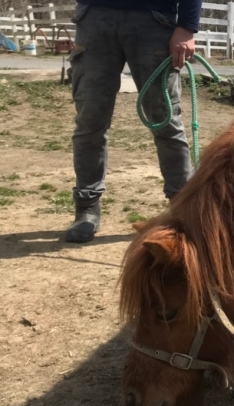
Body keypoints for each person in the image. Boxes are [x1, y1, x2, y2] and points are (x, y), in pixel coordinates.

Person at [65, 0, 203, 243]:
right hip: (96, 17)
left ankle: (184, 209)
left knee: (166, 121)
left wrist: (187, 26)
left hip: (154, 19)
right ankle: (86, 207)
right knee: (90, 121)